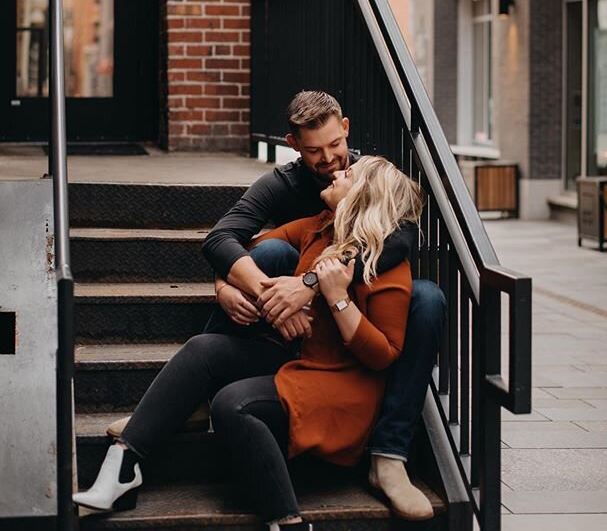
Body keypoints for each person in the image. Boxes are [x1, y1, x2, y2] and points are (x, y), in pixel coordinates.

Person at [72, 157, 426, 529]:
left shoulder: (384, 266)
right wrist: (227, 287)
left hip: (343, 386)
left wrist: (337, 298)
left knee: (233, 403)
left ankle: (287, 522)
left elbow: (383, 356)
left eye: (348, 174)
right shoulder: (318, 228)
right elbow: (239, 251)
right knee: (202, 348)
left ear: (363, 195)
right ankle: (123, 465)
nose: (337, 171)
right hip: (302, 361)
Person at [202, 90, 446, 520]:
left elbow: (399, 240)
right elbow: (224, 239)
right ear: (293, 145)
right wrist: (226, 285)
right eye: (314, 151)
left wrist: (312, 284)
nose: (331, 160)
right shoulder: (284, 184)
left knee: (428, 298)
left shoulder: (368, 175)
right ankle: (198, 385)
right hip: (300, 311)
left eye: (336, 145)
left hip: (360, 299)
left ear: (346, 128)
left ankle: (389, 454)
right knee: (264, 259)